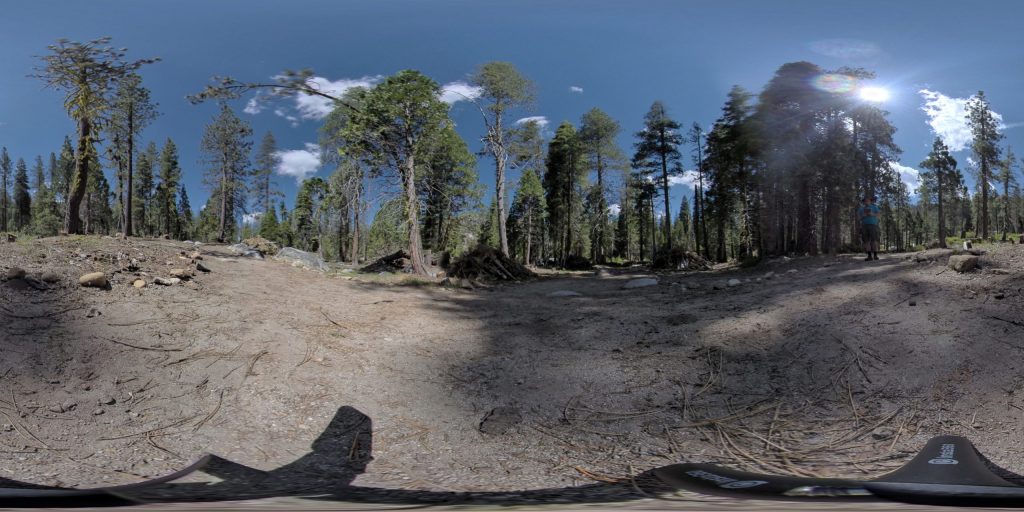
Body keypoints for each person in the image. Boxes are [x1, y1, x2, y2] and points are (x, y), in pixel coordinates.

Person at [857, 195, 881, 260]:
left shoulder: (874, 207)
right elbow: (858, 218)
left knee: (874, 240)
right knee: (866, 241)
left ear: (870, 201)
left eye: (867, 200)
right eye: (865, 201)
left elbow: (879, 216)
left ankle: (875, 255)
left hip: (873, 225)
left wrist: (872, 214)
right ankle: (869, 256)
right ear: (863, 202)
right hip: (864, 226)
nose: (866, 202)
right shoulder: (861, 209)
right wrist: (863, 215)